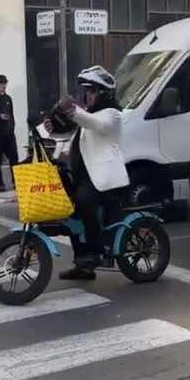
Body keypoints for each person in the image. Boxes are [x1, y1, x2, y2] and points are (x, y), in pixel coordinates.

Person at [45, 66, 129, 281]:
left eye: (92, 91)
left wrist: (72, 110)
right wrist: (51, 125)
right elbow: (70, 128)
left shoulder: (113, 114)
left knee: (83, 202)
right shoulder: (88, 114)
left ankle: (96, 252)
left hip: (104, 179)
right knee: (70, 215)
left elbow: (95, 124)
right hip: (84, 175)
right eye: (86, 91)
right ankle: (83, 264)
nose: (87, 95)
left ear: (103, 93)